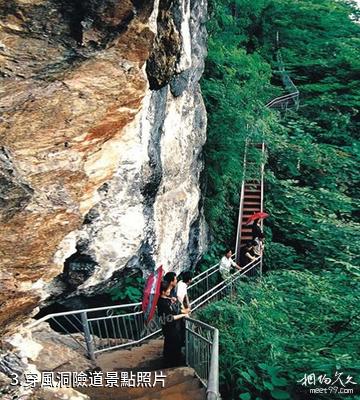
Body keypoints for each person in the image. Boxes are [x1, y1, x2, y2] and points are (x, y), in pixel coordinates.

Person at [157, 281, 189, 367]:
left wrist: (172, 301)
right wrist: (183, 315)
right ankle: (173, 364)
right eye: (168, 289)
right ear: (163, 292)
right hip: (170, 328)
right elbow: (170, 318)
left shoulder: (164, 299)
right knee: (173, 345)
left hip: (171, 328)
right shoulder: (162, 303)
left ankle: (169, 361)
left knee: (170, 344)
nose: (170, 290)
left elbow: (172, 309)